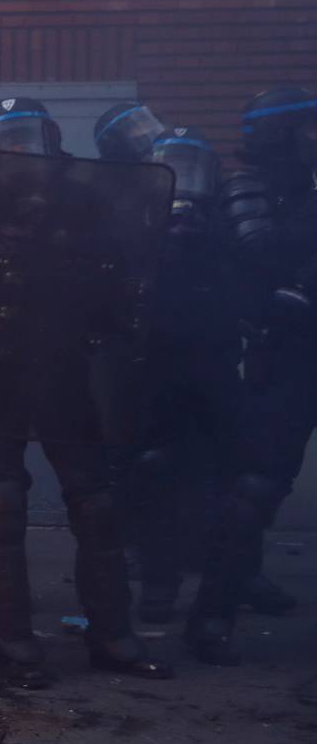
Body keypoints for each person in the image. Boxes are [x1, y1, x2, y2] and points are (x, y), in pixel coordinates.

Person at [0, 98, 171, 685]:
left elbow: (121, 273)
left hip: (62, 366)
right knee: (0, 502)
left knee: (97, 501)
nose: (22, 150)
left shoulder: (83, 202)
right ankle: (11, 639)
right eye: (8, 139)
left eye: (29, 136)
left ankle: (113, 634)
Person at [187, 87, 317, 663]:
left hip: (291, 347)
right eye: (306, 129)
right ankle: (212, 617)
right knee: (254, 488)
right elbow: (233, 272)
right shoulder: (245, 195)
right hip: (286, 352)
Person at [125, 127, 239, 624]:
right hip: (156, 370)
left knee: (226, 478)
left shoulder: (225, 227)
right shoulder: (132, 227)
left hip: (211, 368)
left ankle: (222, 595)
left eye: (192, 168)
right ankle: (158, 585)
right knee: (155, 476)